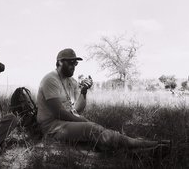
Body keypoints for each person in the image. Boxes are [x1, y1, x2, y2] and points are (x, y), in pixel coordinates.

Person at [36, 48, 168, 150]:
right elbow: (60, 113)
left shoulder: (72, 81)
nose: (74, 66)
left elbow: (77, 109)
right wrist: (83, 121)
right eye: (70, 62)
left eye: (75, 63)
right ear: (60, 62)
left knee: (97, 131)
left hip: (65, 122)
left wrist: (84, 91)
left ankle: (143, 145)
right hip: (52, 127)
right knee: (93, 129)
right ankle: (142, 145)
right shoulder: (50, 80)